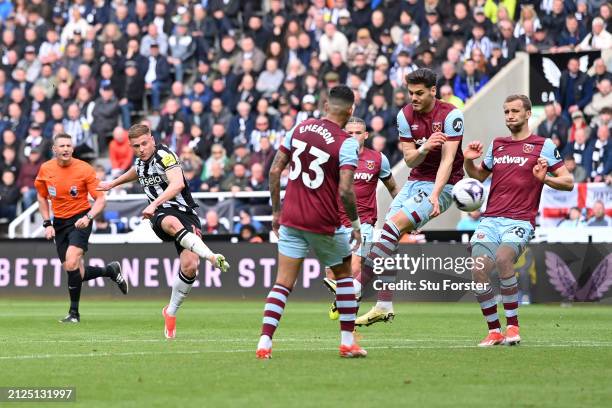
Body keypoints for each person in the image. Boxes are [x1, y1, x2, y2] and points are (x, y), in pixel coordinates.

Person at [341, 68, 465, 326]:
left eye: (419, 93)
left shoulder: (452, 115)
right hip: (415, 181)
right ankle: (384, 304)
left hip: (446, 184)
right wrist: (425, 146)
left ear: (433, 90)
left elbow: (449, 160)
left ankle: (356, 286)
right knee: (388, 233)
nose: (414, 98)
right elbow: (410, 160)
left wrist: (435, 194)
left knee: (393, 226)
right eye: (410, 93)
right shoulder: (405, 115)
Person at [255, 85, 365, 359]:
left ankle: (264, 343)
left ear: (326, 105)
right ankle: (347, 342)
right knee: (344, 278)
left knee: (282, 283)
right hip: (323, 223)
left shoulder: (300, 128)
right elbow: (345, 190)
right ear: (351, 111)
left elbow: (274, 170)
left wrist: (277, 212)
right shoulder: (347, 143)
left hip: (291, 218)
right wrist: (354, 223)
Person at [97, 124, 229, 339]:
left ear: (152, 138)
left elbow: (177, 184)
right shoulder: (141, 161)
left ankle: (170, 312)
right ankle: (212, 256)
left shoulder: (165, 155)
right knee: (170, 222)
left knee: (190, 266)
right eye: (135, 146)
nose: (140, 149)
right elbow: (136, 170)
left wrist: (152, 203)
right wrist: (113, 183)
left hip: (185, 212)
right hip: (160, 214)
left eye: (144, 143)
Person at [464, 95, 573, 347]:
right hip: (490, 219)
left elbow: (567, 182)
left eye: (515, 111)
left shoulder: (542, 145)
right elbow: (478, 176)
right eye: (506, 112)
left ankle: (512, 327)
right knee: (479, 269)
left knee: (503, 259)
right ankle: (494, 331)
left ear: (527, 115)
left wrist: (544, 178)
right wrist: (469, 160)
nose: (510, 116)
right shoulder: (497, 144)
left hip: (520, 220)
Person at [34, 133, 128, 323]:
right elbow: (41, 196)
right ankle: (110, 271)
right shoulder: (46, 169)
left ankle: (74, 314)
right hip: (59, 222)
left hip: (80, 219)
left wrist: (88, 217)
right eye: (62, 146)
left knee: (71, 262)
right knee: (76, 271)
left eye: (69, 145)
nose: (66, 149)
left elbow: (101, 199)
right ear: (54, 149)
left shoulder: (84, 169)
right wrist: (47, 223)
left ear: (73, 149)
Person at [321, 116, 399, 322]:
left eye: (358, 133)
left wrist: (402, 213)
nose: (353, 136)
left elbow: (392, 187)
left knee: (354, 269)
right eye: (349, 133)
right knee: (333, 277)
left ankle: (350, 328)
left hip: (363, 223)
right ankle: (344, 300)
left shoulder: (378, 159)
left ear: (366, 135)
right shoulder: (333, 159)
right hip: (336, 224)